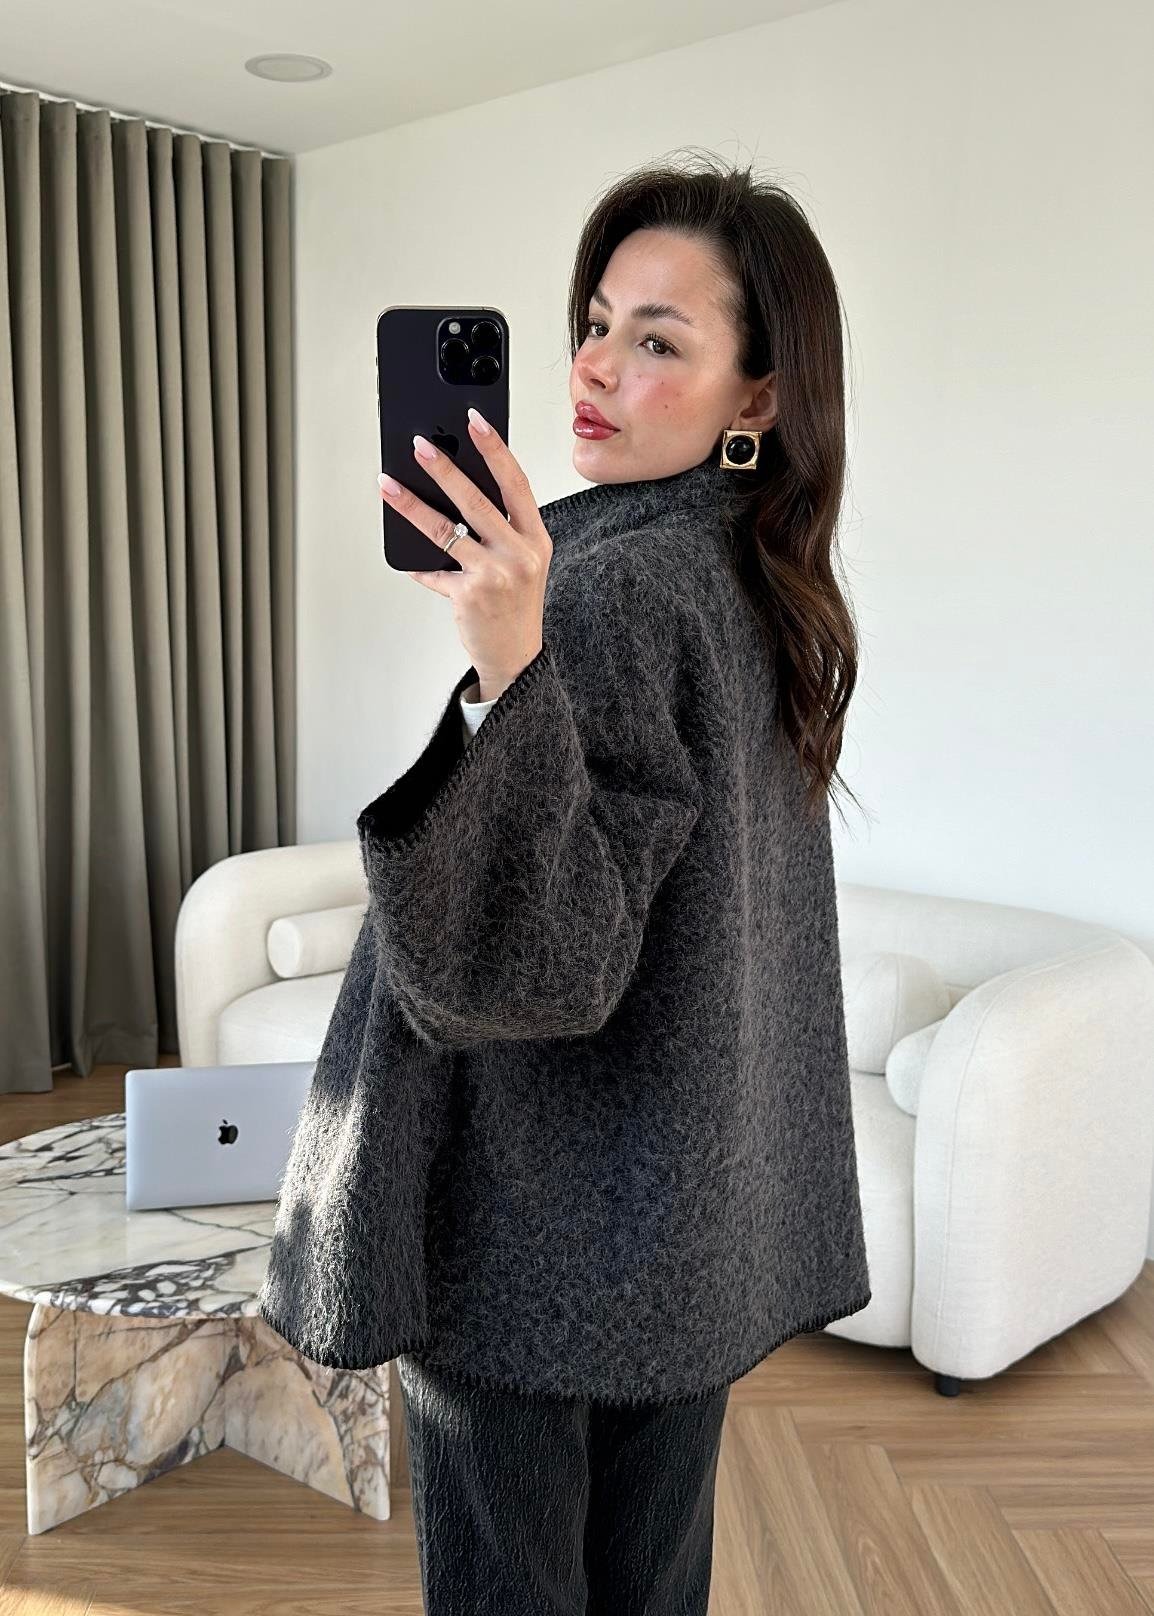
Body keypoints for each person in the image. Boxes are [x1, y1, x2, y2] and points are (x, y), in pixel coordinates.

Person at [258, 149, 872, 1615]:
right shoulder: (752, 580)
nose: (595, 366)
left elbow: (529, 971)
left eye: (658, 341)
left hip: (533, 1226)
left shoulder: (610, 588)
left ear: (756, 398)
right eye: (596, 322)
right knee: (649, 1584)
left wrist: (504, 671)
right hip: (680, 1220)